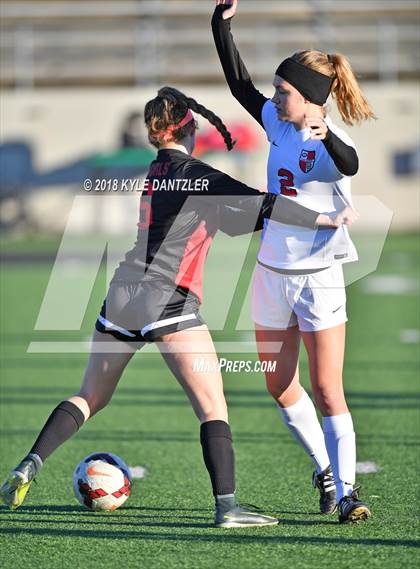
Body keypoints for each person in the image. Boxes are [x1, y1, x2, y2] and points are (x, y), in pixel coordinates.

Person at [0, 86, 353, 528]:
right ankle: (228, 507)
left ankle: (29, 463)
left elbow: (227, 219)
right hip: (168, 299)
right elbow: (265, 204)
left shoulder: (156, 170)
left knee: (90, 395)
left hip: (123, 294)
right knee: (212, 407)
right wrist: (324, 218)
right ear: (189, 129)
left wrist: (257, 218)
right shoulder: (196, 172)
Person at [212, 0, 375, 523]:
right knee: (278, 384)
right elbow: (241, 88)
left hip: (319, 279)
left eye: (284, 92)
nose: (274, 96)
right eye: (278, 90)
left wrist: (331, 138)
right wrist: (222, 26)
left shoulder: (332, 141)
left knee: (328, 389)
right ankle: (324, 468)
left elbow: (352, 162)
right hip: (270, 273)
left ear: (310, 99)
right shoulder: (278, 122)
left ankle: (348, 492)